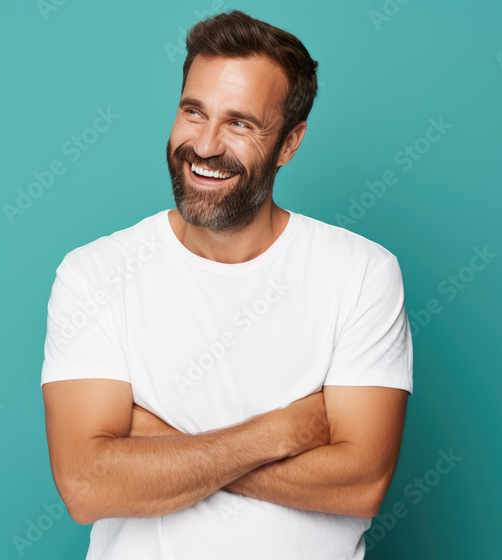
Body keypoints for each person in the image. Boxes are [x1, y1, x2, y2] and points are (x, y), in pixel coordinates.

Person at [40, 10, 413, 559]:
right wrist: (279, 434)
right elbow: (87, 486)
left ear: (289, 143)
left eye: (240, 123)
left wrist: (161, 444)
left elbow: (360, 486)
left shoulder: (361, 273)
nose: (206, 145)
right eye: (194, 112)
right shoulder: (93, 273)